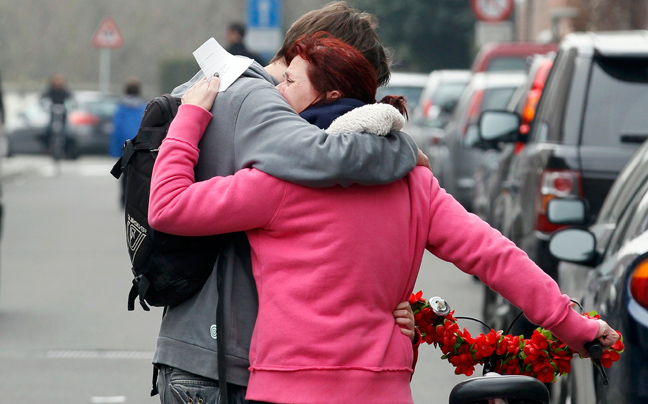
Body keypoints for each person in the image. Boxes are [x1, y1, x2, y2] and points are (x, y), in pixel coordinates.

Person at [149, 32, 619, 404]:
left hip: (286, 388)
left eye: (290, 81)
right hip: (383, 389)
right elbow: (495, 256)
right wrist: (575, 327)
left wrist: (189, 117)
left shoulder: (278, 184)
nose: (276, 90)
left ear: (328, 94)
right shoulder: (413, 181)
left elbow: (168, 207)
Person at [151, 2, 426, 403]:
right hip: (222, 360)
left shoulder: (225, 83)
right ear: (323, 60)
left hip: (201, 348)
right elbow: (326, 156)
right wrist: (403, 149)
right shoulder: (262, 102)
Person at [110, 78, 146, 207]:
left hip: (125, 145)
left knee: (125, 173)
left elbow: (117, 130)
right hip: (140, 144)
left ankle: (124, 197)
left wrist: (115, 150)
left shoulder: (121, 109)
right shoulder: (144, 107)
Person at [40, 73, 73, 151]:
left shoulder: (65, 91)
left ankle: (67, 148)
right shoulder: (49, 91)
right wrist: (47, 106)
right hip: (52, 115)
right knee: (48, 130)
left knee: (67, 131)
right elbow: (43, 99)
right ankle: (47, 147)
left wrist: (68, 106)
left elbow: (71, 100)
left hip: (63, 115)